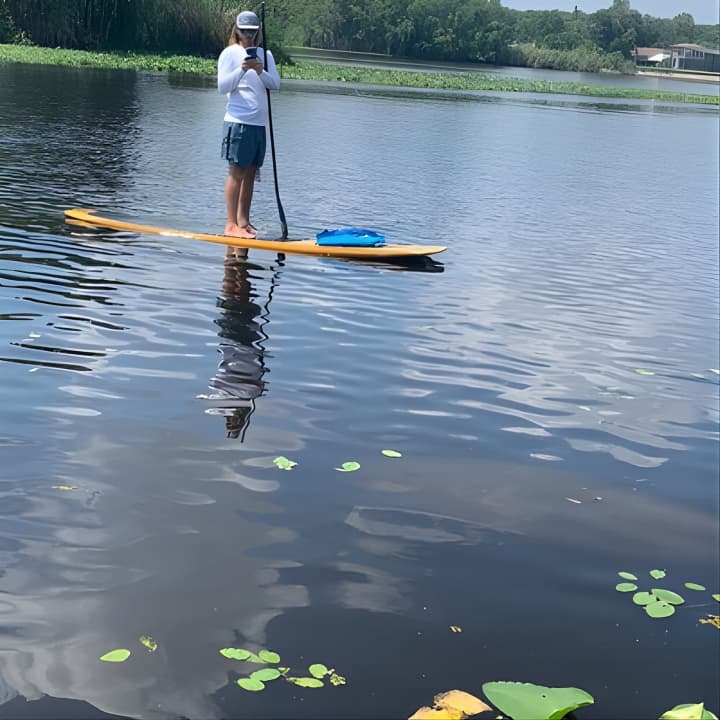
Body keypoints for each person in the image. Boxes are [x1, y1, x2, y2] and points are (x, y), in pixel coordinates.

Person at [217, 10, 281, 239]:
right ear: (237, 30)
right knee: (237, 172)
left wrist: (259, 70)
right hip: (238, 122)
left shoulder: (266, 55)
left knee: (251, 173)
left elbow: (275, 84)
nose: (249, 36)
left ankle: (243, 222)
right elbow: (223, 87)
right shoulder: (229, 54)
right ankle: (230, 224)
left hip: (259, 125)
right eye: (244, 31)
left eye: (253, 32)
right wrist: (242, 70)